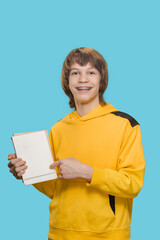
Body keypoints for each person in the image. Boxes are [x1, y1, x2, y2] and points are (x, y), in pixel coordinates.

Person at [8, 47, 145, 240]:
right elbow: (54, 189)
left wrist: (87, 172)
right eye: (75, 73)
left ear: (101, 80)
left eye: (91, 72)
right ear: (67, 81)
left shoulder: (126, 125)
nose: (83, 79)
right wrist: (28, 171)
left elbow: (133, 184)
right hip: (59, 233)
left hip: (107, 235)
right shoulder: (59, 128)